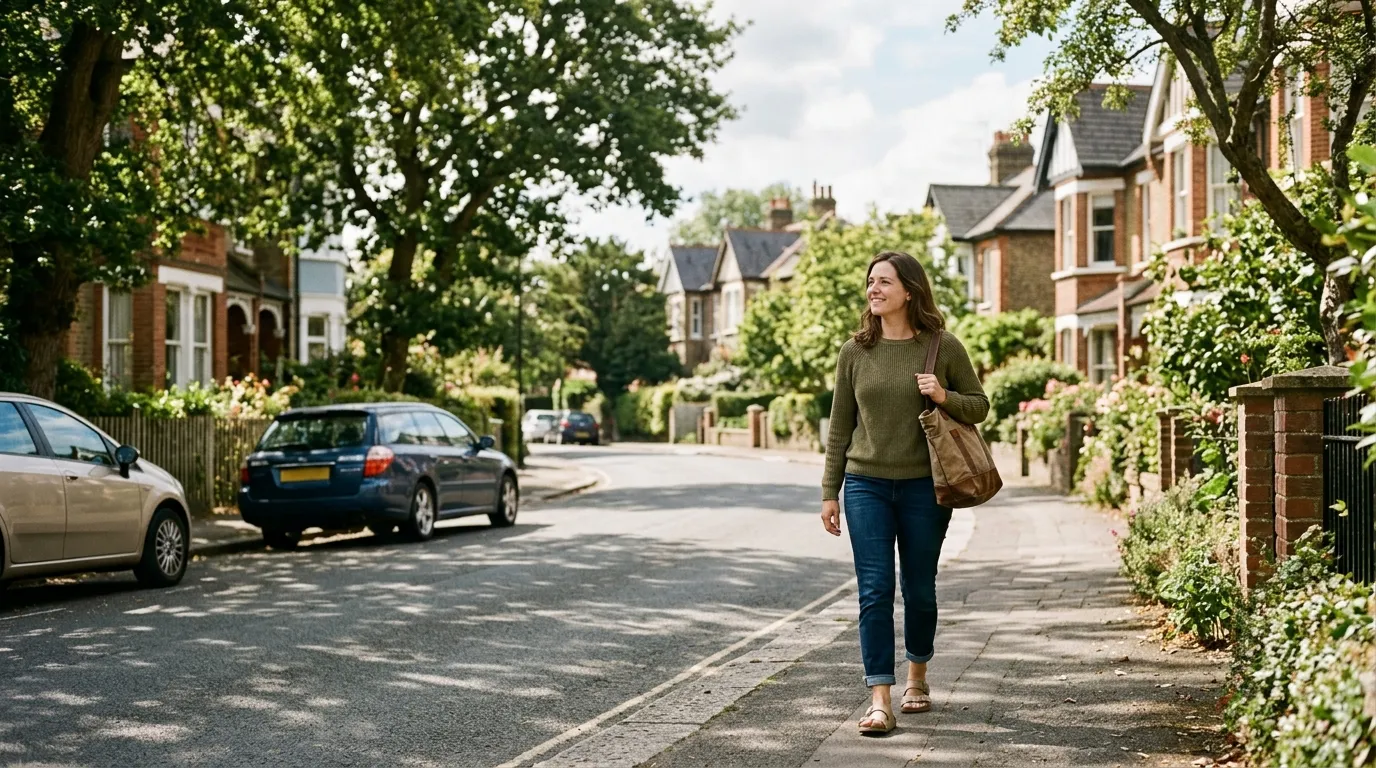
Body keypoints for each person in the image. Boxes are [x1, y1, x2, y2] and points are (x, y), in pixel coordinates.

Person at [819, 250, 989, 736]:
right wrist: (831, 491)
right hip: (866, 484)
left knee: (919, 588)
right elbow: (839, 428)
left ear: (909, 291)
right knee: (874, 590)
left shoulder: (943, 346)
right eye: (870, 282)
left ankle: (918, 676)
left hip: (924, 487)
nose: (874, 290)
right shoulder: (854, 351)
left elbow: (979, 407)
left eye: (884, 282)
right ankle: (879, 699)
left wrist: (943, 396)